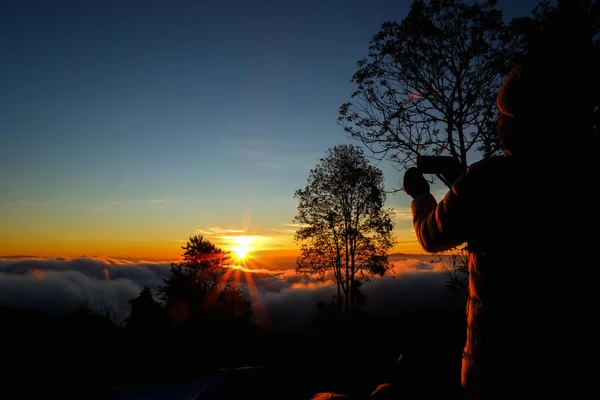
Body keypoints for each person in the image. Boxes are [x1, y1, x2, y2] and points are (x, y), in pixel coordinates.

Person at [402, 51, 597, 399]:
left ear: (513, 120)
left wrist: (420, 196)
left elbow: (431, 236)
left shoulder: (488, 180)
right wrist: (463, 182)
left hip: (498, 369)